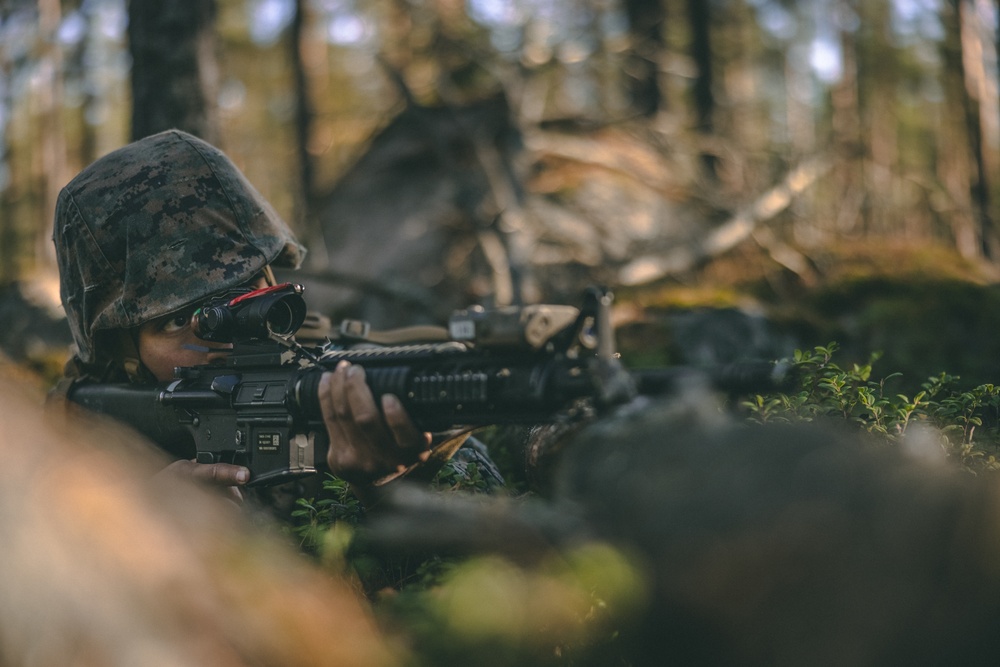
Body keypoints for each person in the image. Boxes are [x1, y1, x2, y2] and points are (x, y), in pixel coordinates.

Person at [51, 128, 496, 506]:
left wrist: (387, 486)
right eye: (175, 319)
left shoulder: (330, 385)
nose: (222, 335)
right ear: (119, 353)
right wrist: (141, 529)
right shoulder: (58, 460)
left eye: (245, 296)